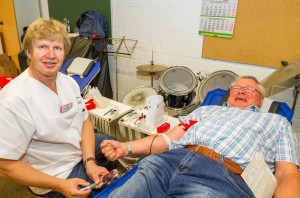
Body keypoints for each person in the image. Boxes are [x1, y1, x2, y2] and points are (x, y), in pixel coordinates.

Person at [101, 76, 300, 198]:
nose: (241, 91)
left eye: (249, 89)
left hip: (221, 177)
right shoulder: (205, 111)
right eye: (236, 88)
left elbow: (287, 174)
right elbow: (167, 140)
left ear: (261, 99)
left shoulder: (276, 122)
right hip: (167, 163)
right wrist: (125, 147)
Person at [0, 18, 116, 198]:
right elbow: (4, 166)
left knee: (112, 143)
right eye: (42, 47)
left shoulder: (68, 82)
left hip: (75, 150)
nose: (51, 55)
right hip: (55, 173)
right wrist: (61, 185)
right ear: (28, 52)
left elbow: (85, 121)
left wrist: (90, 162)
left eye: (57, 48)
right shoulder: (14, 99)